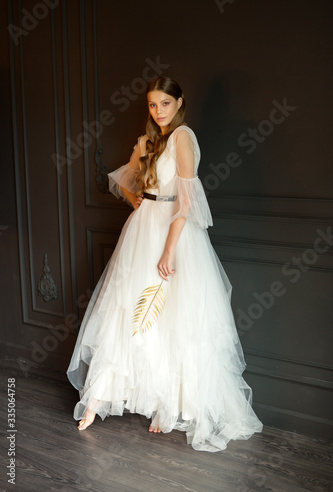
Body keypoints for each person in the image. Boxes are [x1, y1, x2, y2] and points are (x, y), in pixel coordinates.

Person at [66, 76, 263, 452]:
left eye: (165, 104)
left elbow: (186, 202)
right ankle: (95, 402)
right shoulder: (146, 141)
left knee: (175, 317)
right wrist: (138, 201)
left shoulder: (182, 137)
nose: (158, 112)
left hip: (175, 233)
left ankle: (167, 406)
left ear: (179, 102)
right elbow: (124, 179)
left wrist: (169, 250)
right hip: (143, 230)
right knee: (128, 312)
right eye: (153, 105)